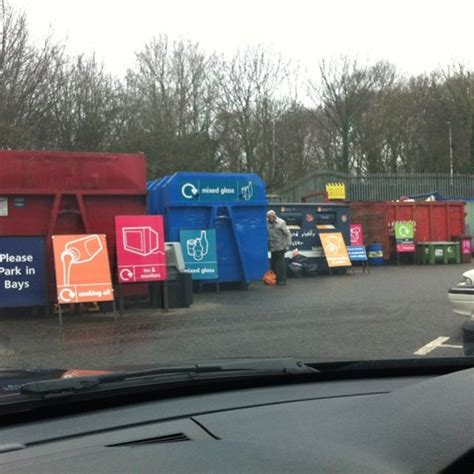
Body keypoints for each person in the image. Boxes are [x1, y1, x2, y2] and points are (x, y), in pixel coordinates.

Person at [267, 210, 292, 285]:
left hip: (281, 246)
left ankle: (282, 280)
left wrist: (287, 245)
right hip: (272, 246)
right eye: (268, 218)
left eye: (270, 217)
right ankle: (274, 279)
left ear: (274, 216)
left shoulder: (281, 222)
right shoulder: (266, 222)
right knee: (273, 264)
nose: (269, 219)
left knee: (281, 264)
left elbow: (288, 234)